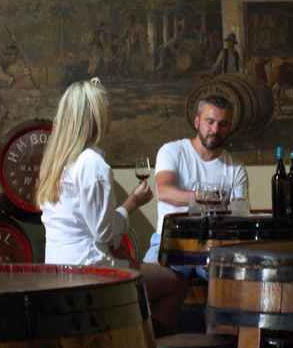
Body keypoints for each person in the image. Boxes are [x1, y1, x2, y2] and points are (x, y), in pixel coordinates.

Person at [36, 79, 185, 331]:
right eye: (106, 111)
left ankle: (132, 335)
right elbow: (104, 233)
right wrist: (132, 203)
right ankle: (143, 346)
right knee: (176, 283)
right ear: (97, 118)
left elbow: (90, 225)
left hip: (56, 269)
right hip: (89, 270)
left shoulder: (55, 161)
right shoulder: (92, 163)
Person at [144, 95, 250, 266]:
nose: (215, 129)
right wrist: (205, 196)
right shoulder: (172, 151)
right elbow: (163, 192)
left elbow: (239, 214)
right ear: (197, 122)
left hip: (215, 245)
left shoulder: (236, 168)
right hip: (170, 242)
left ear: (229, 127)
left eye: (223, 124)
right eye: (210, 122)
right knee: (146, 278)